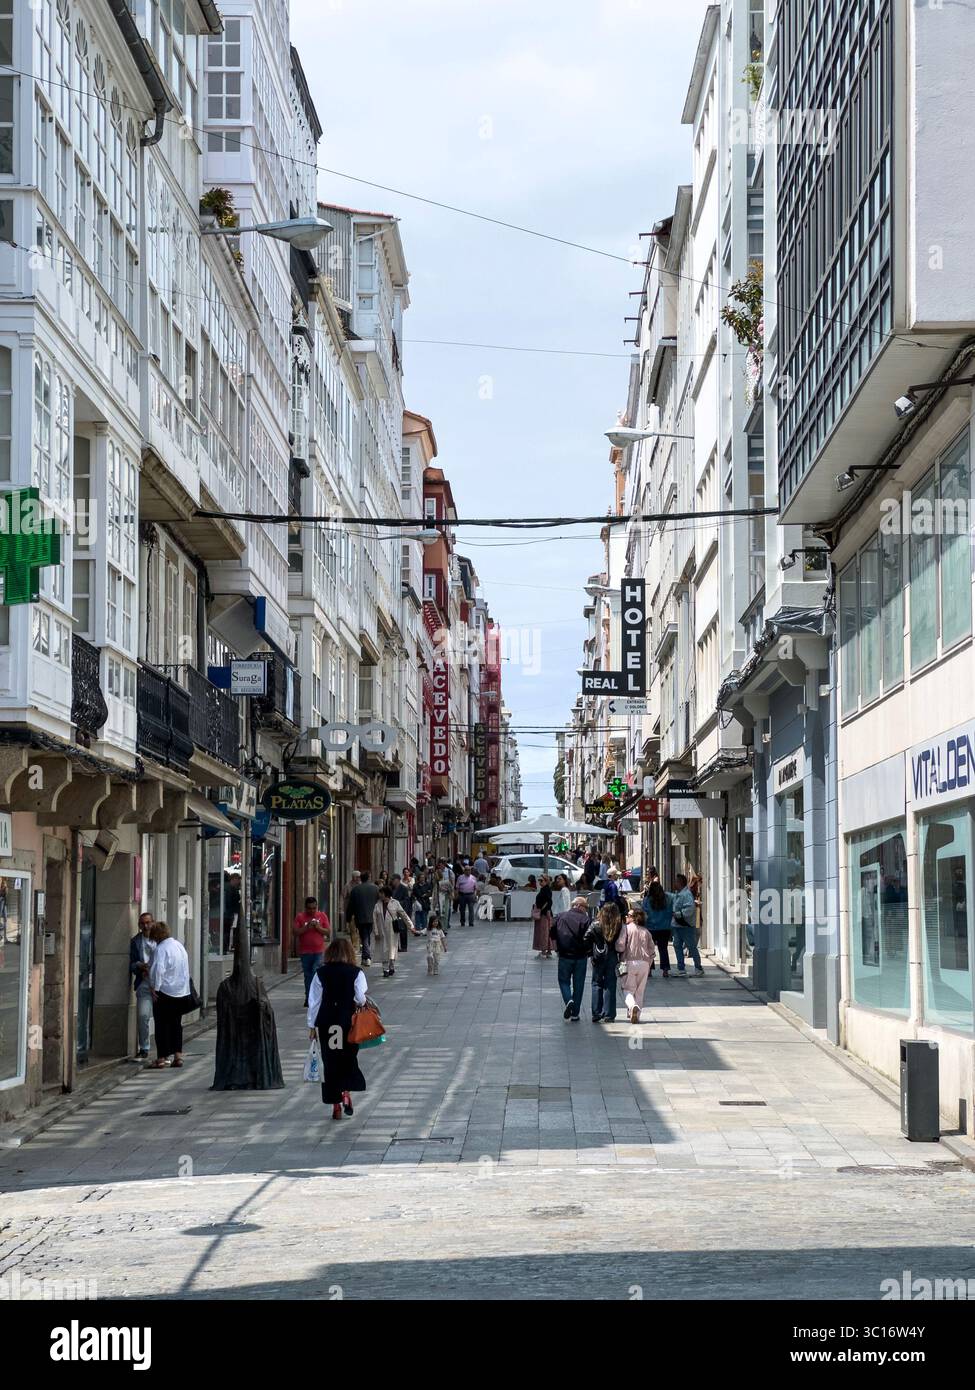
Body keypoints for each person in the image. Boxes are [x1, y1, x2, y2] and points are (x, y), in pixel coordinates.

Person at [307, 937, 367, 1121]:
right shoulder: (356, 972)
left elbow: (314, 1001)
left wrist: (311, 1025)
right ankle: (346, 1092)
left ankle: (335, 1105)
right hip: (347, 1023)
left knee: (331, 1061)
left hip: (327, 1022)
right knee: (347, 1059)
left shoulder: (321, 973)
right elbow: (361, 998)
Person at [147, 922, 191, 1068]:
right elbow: (185, 969)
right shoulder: (179, 946)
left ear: (156, 935)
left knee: (161, 1025)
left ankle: (161, 1058)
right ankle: (178, 1056)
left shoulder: (161, 949)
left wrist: (155, 988)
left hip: (165, 992)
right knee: (176, 1025)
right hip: (180, 992)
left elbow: (159, 969)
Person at [550, 895, 592, 1021]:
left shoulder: (560, 916)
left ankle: (568, 1000)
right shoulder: (586, 920)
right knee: (579, 984)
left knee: (563, 981)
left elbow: (552, 931)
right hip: (581, 956)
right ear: (579, 905)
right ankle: (575, 1013)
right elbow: (590, 937)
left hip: (564, 955)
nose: (586, 910)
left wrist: (556, 945)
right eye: (586, 907)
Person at [617, 906, 655, 1023]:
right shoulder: (646, 931)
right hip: (644, 964)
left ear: (634, 918)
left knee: (628, 989)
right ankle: (636, 1015)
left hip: (628, 962)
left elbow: (620, 946)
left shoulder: (626, 929)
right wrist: (649, 963)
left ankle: (632, 1006)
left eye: (628, 915)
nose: (626, 917)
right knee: (640, 991)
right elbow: (652, 950)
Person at [586, 903, 622, 1023]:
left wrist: (590, 953)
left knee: (596, 983)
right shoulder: (618, 925)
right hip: (612, 955)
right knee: (610, 984)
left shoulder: (596, 924)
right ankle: (609, 1014)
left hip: (598, 956)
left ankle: (596, 1013)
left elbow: (586, 938)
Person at [294, 896, 331, 1008]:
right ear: (305, 908)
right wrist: (307, 927)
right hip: (305, 952)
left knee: (315, 972)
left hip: (318, 951)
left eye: (314, 908)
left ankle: (316, 996)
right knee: (308, 975)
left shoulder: (322, 916)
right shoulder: (300, 917)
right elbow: (295, 932)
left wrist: (318, 927)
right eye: (309, 908)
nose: (312, 911)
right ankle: (308, 997)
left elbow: (328, 932)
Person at [128, 911, 156, 1059]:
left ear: (153, 922)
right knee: (143, 1015)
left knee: (162, 1018)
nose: (146, 926)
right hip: (143, 984)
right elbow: (131, 965)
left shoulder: (161, 940)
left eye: (148, 922)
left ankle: (164, 1048)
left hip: (160, 986)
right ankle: (144, 1048)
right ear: (139, 925)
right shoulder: (135, 942)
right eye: (143, 923)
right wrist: (140, 965)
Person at [374, 888, 412, 977]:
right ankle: (385, 969)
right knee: (384, 950)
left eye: (381, 893)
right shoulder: (377, 905)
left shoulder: (395, 903)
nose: (380, 895)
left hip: (392, 930)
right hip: (381, 931)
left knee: (391, 949)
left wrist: (410, 926)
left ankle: (391, 966)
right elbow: (374, 919)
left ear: (386, 894)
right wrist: (376, 931)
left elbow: (403, 914)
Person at [672, 873, 704, 977]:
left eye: (676, 881)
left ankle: (698, 968)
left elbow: (690, 909)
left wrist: (678, 914)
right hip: (677, 925)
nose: (674, 883)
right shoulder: (679, 894)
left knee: (691, 946)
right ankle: (681, 968)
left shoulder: (686, 894)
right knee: (677, 945)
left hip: (686, 926)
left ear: (680, 882)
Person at [346, 871, 380, 966]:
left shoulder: (355, 889)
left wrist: (348, 918)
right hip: (372, 916)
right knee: (366, 935)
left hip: (360, 917)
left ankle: (366, 956)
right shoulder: (375, 888)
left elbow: (350, 905)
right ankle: (366, 956)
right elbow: (379, 902)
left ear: (361, 878)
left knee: (364, 935)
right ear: (369, 877)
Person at [643, 879, 673, 978]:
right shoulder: (668, 898)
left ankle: (649, 970)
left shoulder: (647, 900)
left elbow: (644, 913)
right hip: (665, 928)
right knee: (663, 949)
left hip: (651, 928)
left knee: (649, 949)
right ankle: (665, 970)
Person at [532, 874, 554, 958]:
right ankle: (547, 950)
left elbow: (549, 902)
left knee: (544, 932)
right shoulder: (544, 890)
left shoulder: (546, 890)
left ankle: (544, 950)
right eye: (539, 880)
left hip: (544, 914)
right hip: (545, 913)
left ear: (546, 881)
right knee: (546, 932)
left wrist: (542, 910)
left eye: (541, 880)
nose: (540, 882)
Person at [390, 874, 412, 953]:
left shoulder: (404, 889)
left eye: (393, 880)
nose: (392, 881)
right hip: (392, 911)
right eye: (392, 880)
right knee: (394, 929)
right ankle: (396, 946)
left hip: (401, 911)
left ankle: (404, 946)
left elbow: (406, 900)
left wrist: (397, 903)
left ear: (398, 880)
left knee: (402, 929)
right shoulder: (390, 888)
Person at [222, 871, 241, 954]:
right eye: (238, 881)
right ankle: (224, 948)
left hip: (225, 913)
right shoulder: (232, 889)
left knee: (225, 931)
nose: (238, 883)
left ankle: (224, 948)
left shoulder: (224, 887)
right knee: (226, 931)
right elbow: (234, 902)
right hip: (228, 914)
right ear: (233, 879)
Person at [413, 868, 433, 933]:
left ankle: (424, 930)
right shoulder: (415, 885)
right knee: (417, 917)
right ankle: (418, 930)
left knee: (424, 917)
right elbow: (415, 893)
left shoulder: (428, 884)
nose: (422, 879)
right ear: (418, 878)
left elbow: (430, 893)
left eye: (423, 877)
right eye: (421, 877)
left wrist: (426, 894)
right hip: (418, 902)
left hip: (425, 903)